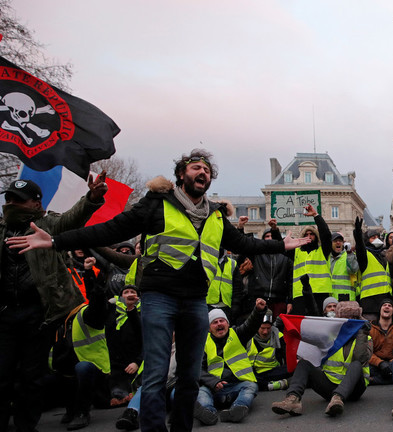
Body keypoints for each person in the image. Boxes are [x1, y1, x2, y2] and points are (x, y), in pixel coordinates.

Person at [7, 149, 309, 432]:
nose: (202, 171)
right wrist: (56, 241)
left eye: (206, 169)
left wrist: (282, 244)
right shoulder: (156, 203)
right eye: (195, 167)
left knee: (189, 377)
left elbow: (246, 244)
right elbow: (112, 229)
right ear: (181, 174)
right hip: (158, 298)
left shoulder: (216, 215)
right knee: (154, 375)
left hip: (195, 301)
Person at [0, 176, 105, 432]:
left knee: (31, 375)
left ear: (36, 204)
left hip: (39, 313)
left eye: (19, 200)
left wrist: (91, 199)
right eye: (9, 199)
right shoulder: (1, 229)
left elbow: (73, 219)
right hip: (4, 314)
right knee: (1, 373)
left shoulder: (48, 225)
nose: (12, 203)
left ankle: (26, 425)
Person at [271, 301, 371, 417]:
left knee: (356, 364)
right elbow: (306, 335)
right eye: (346, 318)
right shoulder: (328, 338)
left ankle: (338, 398)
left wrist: (362, 334)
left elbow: (360, 357)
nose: (350, 321)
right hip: (330, 386)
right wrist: (285, 326)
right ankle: (292, 400)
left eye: (354, 317)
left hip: (354, 389)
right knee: (303, 364)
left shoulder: (366, 337)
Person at [50, 257, 111, 430]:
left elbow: (97, 304)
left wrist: (92, 275)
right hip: (66, 370)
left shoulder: (86, 313)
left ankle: (83, 412)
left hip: (94, 371)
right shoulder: (59, 319)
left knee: (81, 368)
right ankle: (70, 408)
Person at [194, 300, 267, 425]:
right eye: (214, 322)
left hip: (237, 385)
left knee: (251, 386)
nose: (219, 324)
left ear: (227, 323)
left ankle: (237, 409)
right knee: (201, 392)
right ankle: (208, 413)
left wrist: (259, 311)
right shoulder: (204, 343)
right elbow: (198, 369)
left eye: (222, 321)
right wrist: (213, 382)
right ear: (209, 328)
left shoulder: (238, 334)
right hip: (214, 388)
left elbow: (251, 324)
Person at [288, 204, 332, 316]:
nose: (309, 236)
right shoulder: (296, 252)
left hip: (319, 293)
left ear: (316, 236)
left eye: (312, 234)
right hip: (300, 295)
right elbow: (279, 246)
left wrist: (316, 216)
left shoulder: (322, 251)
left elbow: (326, 234)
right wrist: (274, 230)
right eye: (306, 234)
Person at [353, 218, 392, 319]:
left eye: (378, 237)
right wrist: (358, 233)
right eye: (372, 237)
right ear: (367, 240)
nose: (376, 239)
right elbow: (360, 247)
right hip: (370, 302)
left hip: (385, 300)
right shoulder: (365, 255)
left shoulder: (383, 255)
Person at [247, 314, 289, 391]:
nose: (265, 332)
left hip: (272, 371)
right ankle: (274, 385)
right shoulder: (247, 336)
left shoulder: (279, 337)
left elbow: (287, 356)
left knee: (293, 367)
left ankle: (265, 385)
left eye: (268, 328)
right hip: (251, 372)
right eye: (262, 328)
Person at [369, 298, 393, 385]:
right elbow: (366, 352)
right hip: (375, 364)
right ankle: (390, 379)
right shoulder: (369, 328)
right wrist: (380, 363)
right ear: (380, 310)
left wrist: (391, 362)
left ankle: (374, 380)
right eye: (384, 305)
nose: (387, 307)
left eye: (390, 305)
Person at [329, 232, 358, 302]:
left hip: (347, 298)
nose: (338, 243)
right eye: (335, 241)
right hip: (331, 299)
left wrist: (349, 254)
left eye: (340, 241)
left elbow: (353, 269)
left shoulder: (349, 255)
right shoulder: (328, 258)